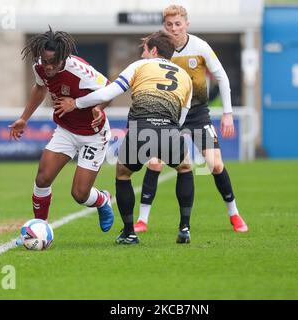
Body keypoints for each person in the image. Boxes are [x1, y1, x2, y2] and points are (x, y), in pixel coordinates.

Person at [54, 31, 194, 245]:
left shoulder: (140, 66)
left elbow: (107, 93)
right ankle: (184, 228)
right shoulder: (185, 76)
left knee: (123, 173)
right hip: (170, 129)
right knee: (184, 168)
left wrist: (77, 103)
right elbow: (182, 116)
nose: (143, 54)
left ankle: (129, 232)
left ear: (154, 51)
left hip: (141, 128)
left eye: (145, 50)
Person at [133, 4, 248, 233]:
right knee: (155, 162)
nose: (174, 29)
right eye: (169, 25)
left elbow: (222, 77)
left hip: (197, 114)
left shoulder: (200, 47)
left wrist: (227, 114)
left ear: (187, 24)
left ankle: (234, 214)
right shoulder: (161, 50)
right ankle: (142, 220)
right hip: (170, 114)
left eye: (178, 24)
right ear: (163, 26)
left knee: (215, 164)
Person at [9, 27, 114, 240]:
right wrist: (24, 118)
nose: (48, 67)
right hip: (66, 129)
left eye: (53, 63)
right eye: (45, 61)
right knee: (43, 177)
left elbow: (110, 90)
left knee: (80, 194)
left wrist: (92, 107)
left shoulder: (80, 71)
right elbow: (40, 88)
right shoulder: (40, 66)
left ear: (63, 58)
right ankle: (39, 229)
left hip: (93, 134)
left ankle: (102, 200)